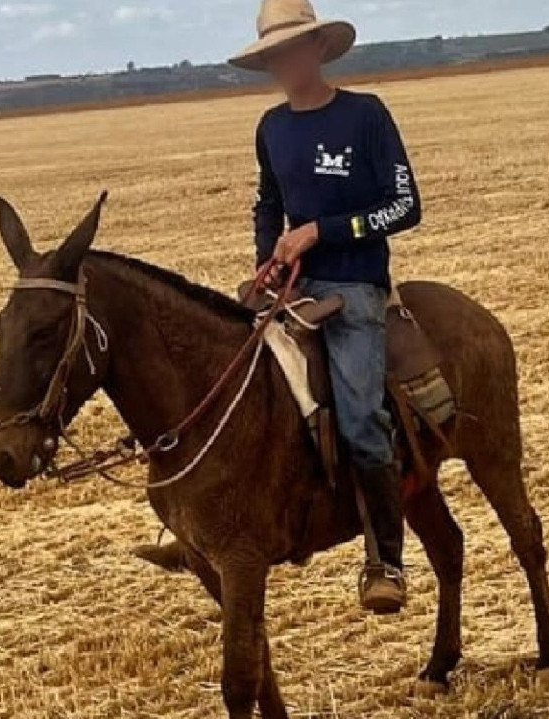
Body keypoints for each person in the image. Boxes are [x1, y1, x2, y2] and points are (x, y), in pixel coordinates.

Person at [229, 0, 423, 614]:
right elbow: (267, 202)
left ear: (317, 50)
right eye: (274, 55)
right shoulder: (271, 127)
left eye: (293, 49)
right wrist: (271, 258)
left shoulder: (365, 116)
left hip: (356, 288)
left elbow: (405, 206)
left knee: (363, 420)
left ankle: (385, 559)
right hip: (292, 289)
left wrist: (320, 232)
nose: (285, 63)